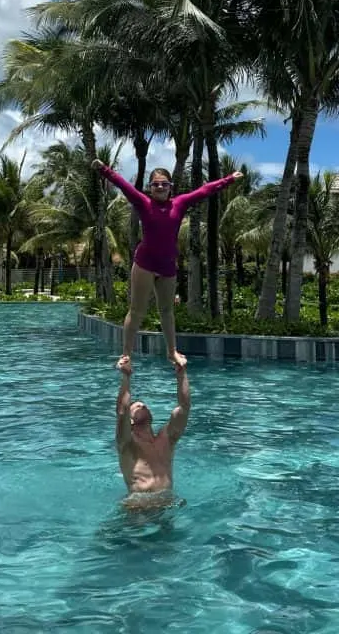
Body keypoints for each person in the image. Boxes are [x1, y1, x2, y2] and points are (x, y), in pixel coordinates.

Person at [93, 159, 242, 370]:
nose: (160, 187)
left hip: (167, 265)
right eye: (156, 184)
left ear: (170, 187)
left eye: (164, 184)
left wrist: (228, 180)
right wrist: (103, 170)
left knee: (166, 311)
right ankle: (126, 354)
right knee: (137, 310)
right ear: (150, 187)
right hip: (145, 263)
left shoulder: (179, 203)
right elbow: (122, 185)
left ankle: (171, 351)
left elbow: (204, 190)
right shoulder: (143, 202)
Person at [115, 358, 190, 506]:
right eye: (136, 406)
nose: (142, 405)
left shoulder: (167, 438)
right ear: (130, 421)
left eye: (144, 405)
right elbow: (122, 412)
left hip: (167, 504)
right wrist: (126, 377)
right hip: (138, 507)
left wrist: (182, 373)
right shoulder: (127, 443)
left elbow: (184, 407)